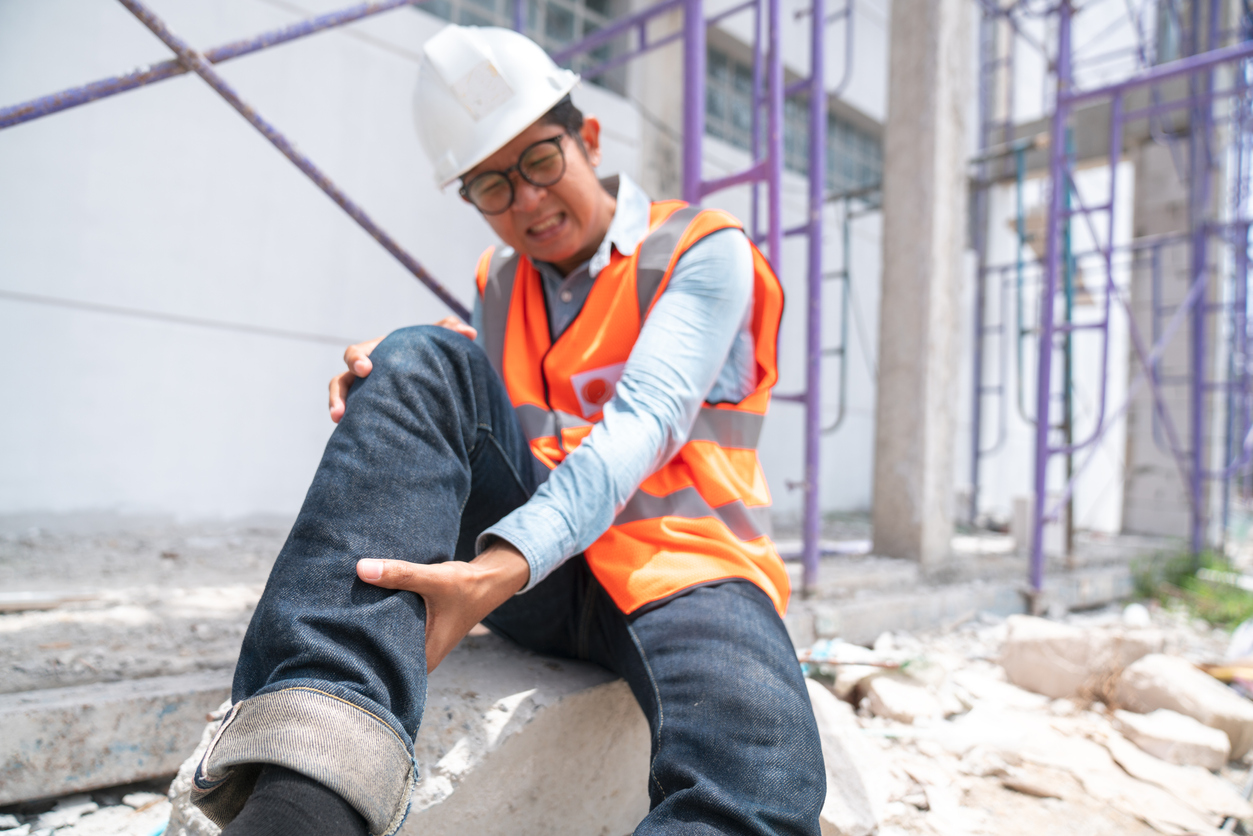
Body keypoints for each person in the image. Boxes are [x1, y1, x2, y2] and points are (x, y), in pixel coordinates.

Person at [191, 23, 825, 836]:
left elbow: (645, 420)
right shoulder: (498, 282)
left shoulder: (699, 250)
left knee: (756, 776)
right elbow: (491, 426)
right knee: (413, 357)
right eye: (491, 184)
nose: (524, 199)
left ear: (588, 138)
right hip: (544, 579)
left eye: (539, 161)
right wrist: (400, 381)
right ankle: (304, 794)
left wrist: (497, 567)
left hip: (684, 569)